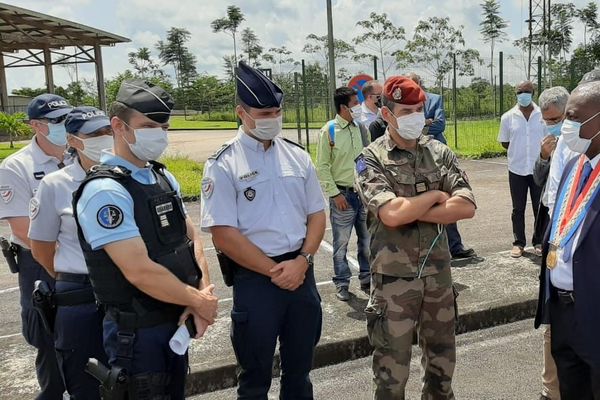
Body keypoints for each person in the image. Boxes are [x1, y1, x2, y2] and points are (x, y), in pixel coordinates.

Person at [73, 80, 217, 399]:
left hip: (178, 319)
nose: (159, 134)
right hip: (137, 334)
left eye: (163, 126)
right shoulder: (105, 191)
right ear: (118, 126)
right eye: (149, 125)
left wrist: (201, 295)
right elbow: (138, 270)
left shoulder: (163, 177)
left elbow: (191, 240)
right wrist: (198, 302)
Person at [201, 61, 326, 399]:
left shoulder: (297, 156)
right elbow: (223, 234)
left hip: (301, 275)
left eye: (276, 111)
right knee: (255, 379)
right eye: (264, 113)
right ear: (241, 112)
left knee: (300, 373)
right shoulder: (224, 163)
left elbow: (317, 214)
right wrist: (275, 271)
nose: (272, 118)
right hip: (257, 281)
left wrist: (303, 260)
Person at [355, 76, 476, 399]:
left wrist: (408, 207)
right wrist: (436, 194)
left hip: (438, 276)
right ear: (387, 115)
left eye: (419, 109)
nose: (416, 117)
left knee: (441, 371)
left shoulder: (439, 152)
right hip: (393, 283)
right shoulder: (370, 158)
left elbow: (465, 206)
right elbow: (390, 214)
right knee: (391, 377)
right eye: (407, 110)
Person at [28, 106, 112, 399]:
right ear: (73, 140)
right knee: (85, 384)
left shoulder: (127, 176)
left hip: (128, 292)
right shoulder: (55, 184)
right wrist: (71, 275)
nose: (104, 139)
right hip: (80, 296)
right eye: (94, 134)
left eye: (107, 132)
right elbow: (40, 247)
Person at [0, 93, 71, 399]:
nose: (63, 127)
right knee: (48, 339)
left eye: (66, 119)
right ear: (35, 126)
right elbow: (23, 229)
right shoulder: (16, 166)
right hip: (39, 263)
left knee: (84, 337)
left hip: (80, 261)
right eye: (55, 122)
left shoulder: (78, 156)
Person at [535, 81, 600, 400]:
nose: (567, 125)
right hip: (562, 309)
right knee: (573, 389)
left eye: (573, 117)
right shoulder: (576, 165)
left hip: (594, 312)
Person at [409, 72, 476, 259]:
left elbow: (440, 126)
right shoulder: (405, 104)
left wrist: (419, 127)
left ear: (420, 84)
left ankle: (455, 247)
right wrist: (426, 122)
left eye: (413, 84)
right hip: (413, 158)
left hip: (436, 157)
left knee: (448, 199)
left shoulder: (434, 99)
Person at [531, 86, 569, 400]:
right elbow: (541, 184)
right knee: (552, 319)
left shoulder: (585, 145)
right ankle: (550, 389)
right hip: (554, 243)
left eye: (556, 118)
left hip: (577, 246)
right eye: (547, 120)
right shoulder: (553, 145)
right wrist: (545, 157)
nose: (552, 125)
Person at [316, 86, 370, 301]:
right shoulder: (329, 131)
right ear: (343, 106)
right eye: (355, 103)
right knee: (341, 243)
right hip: (343, 196)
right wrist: (335, 194)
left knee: (366, 240)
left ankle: (367, 277)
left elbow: (366, 160)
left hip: (362, 194)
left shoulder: (360, 129)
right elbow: (322, 166)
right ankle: (342, 283)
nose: (358, 106)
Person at [498, 80, 546, 258]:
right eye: (520, 92)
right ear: (515, 93)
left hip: (538, 169)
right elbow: (505, 142)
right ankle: (519, 243)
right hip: (516, 168)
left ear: (533, 92)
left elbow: (549, 141)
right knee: (517, 208)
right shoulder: (508, 117)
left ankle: (539, 241)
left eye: (526, 91)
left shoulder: (542, 114)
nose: (523, 94)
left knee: (540, 207)